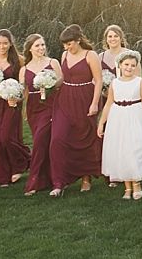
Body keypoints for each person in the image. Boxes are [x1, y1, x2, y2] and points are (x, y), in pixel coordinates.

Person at [97, 50, 142, 200]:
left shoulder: (140, 82)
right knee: (122, 150)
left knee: (135, 148)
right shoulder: (114, 83)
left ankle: (137, 183)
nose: (129, 68)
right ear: (120, 65)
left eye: (133, 65)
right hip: (118, 118)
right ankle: (127, 186)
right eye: (126, 64)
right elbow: (108, 104)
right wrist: (101, 123)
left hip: (136, 116)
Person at [49, 24, 103, 196]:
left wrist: (95, 103)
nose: (66, 47)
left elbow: (99, 80)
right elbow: (64, 78)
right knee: (57, 138)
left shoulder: (90, 55)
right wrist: (49, 85)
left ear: (78, 40)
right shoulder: (64, 55)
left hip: (84, 98)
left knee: (84, 138)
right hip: (64, 99)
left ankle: (86, 177)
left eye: (69, 43)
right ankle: (59, 181)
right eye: (64, 44)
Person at [0, 29, 31, 187]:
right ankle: (3, 173)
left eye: (5, 43)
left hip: (12, 103)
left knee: (7, 137)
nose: (2, 46)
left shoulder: (19, 60)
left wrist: (19, 100)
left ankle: (21, 162)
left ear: (11, 44)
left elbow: (24, 85)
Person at [20, 33, 62, 196]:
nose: (41, 48)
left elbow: (62, 81)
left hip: (51, 105)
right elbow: (24, 91)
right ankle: (48, 179)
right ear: (30, 48)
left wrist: (50, 84)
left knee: (40, 141)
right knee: (43, 143)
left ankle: (35, 181)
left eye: (43, 45)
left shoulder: (53, 62)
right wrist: (22, 107)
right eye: (37, 45)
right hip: (33, 108)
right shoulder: (24, 69)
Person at [98, 24, 128, 186]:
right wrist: (103, 89)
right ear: (106, 39)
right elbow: (96, 79)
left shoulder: (128, 55)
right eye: (110, 36)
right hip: (107, 101)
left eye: (115, 36)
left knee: (125, 135)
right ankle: (114, 173)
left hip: (124, 100)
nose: (113, 39)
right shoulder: (100, 56)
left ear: (121, 37)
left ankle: (128, 170)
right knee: (111, 136)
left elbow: (138, 79)